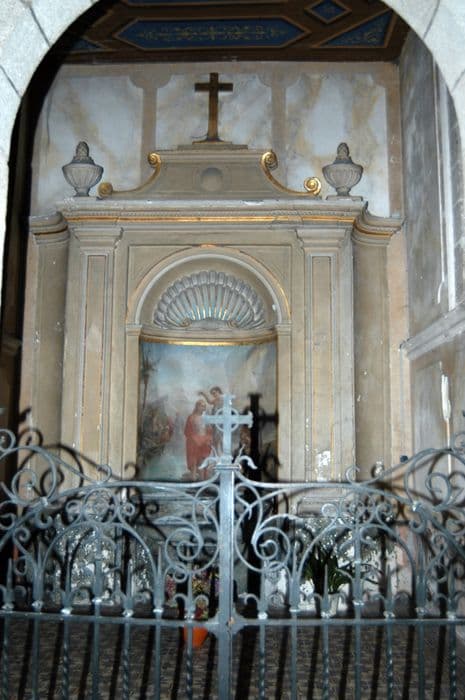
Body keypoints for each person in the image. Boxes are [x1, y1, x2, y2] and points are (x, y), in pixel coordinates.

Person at [184, 399, 213, 479]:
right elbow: (187, 431)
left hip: (204, 442)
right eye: (201, 406)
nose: (203, 408)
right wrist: (194, 439)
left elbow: (210, 431)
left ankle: (202, 480)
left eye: (204, 406)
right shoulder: (191, 417)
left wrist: (208, 439)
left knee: (202, 463)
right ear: (197, 406)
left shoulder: (206, 418)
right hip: (194, 443)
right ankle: (193, 479)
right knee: (194, 462)